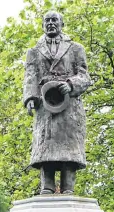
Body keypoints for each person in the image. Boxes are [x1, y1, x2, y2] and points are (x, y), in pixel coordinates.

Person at [23, 11, 91, 194]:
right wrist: (30, 98)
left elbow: (85, 76)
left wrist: (70, 84)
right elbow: (31, 76)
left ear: (62, 24)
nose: (51, 23)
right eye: (47, 21)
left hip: (69, 105)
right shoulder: (34, 51)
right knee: (46, 144)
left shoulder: (76, 48)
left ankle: (68, 187)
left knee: (69, 146)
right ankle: (47, 186)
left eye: (54, 20)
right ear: (42, 24)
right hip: (45, 105)